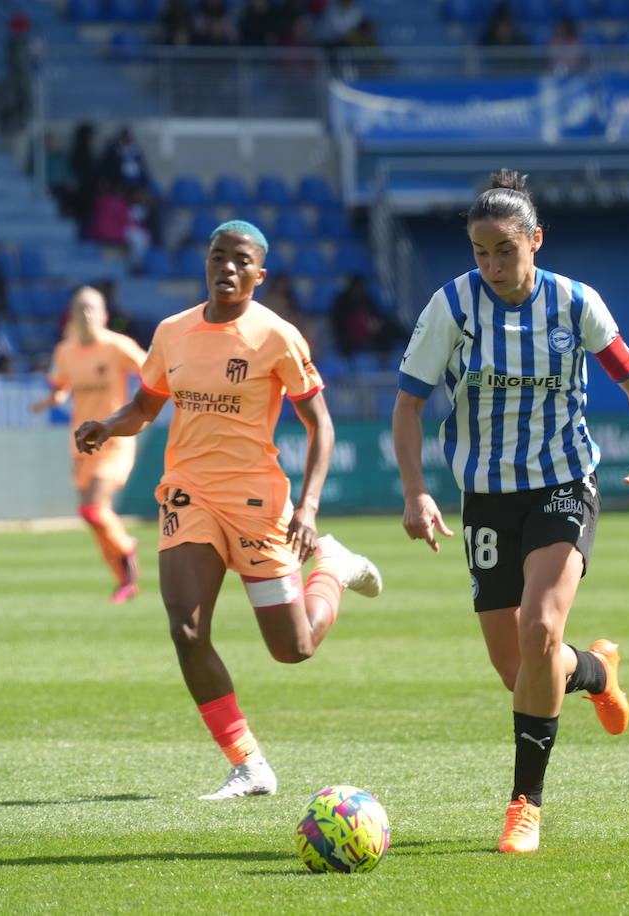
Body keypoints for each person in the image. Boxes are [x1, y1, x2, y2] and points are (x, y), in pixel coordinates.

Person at [392, 171, 629, 853]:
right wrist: (414, 491)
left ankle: (525, 805)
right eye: (479, 251)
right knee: (521, 669)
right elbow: (408, 402)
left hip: (563, 484)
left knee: (539, 625)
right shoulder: (453, 307)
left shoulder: (576, 303)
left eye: (503, 250)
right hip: (486, 497)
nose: (490, 265)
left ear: (535, 242)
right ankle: (598, 672)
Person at [73, 221, 383, 798]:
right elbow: (146, 405)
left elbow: (320, 425)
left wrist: (309, 506)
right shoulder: (172, 332)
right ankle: (248, 763)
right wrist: (109, 426)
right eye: (219, 257)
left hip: (257, 503)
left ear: (259, 275)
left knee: (293, 649)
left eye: (241, 261)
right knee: (186, 628)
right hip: (188, 494)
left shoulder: (276, 337)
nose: (228, 268)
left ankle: (334, 571)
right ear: (207, 263)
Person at [31, 287, 146, 601]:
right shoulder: (65, 352)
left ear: (105, 314)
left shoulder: (118, 346)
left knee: (95, 507)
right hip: (82, 441)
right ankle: (123, 578)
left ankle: (126, 547)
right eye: (81, 309)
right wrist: (48, 401)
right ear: (73, 315)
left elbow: (151, 371)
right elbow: (60, 387)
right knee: (90, 514)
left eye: (93, 308)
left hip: (115, 438)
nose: (88, 315)